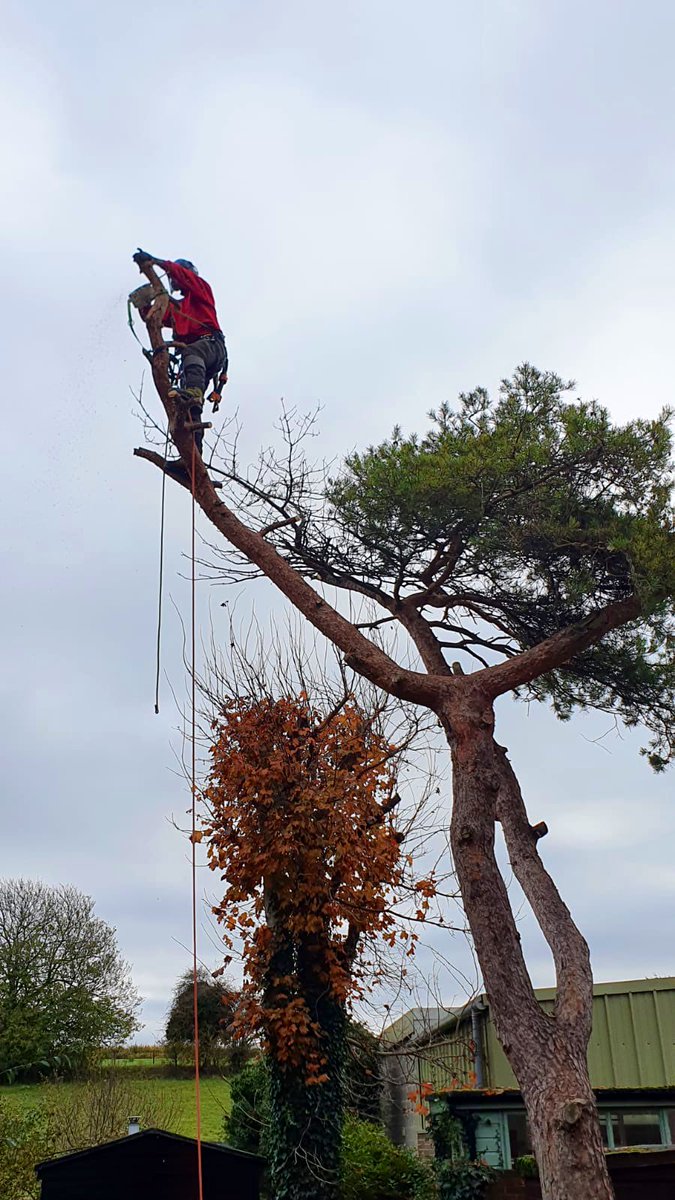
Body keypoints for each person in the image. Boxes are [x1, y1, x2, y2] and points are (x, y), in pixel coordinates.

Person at [132, 250, 228, 454]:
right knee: (188, 408)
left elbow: (184, 276)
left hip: (209, 346)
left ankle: (194, 393)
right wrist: (143, 305)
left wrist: (156, 263)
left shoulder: (201, 290)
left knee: (191, 359)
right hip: (197, 360)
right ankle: (193, 456)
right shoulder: (181, 307)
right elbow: (157, 318)